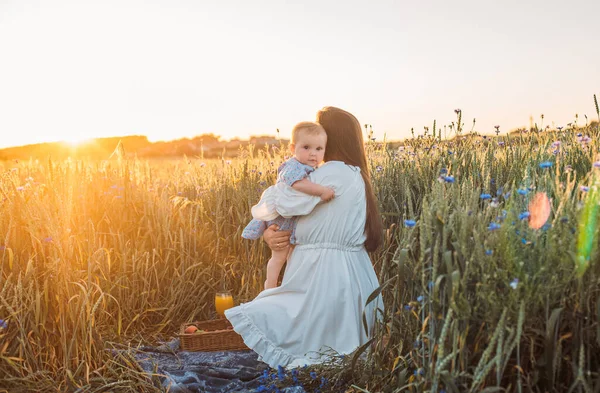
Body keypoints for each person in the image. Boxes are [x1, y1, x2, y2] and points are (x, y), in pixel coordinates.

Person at [225, 106, 384, 369]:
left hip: (321, 273)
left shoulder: (332, 172)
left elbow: (285, 202)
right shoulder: (354, 173)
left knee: (276, 315)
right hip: (345, 271)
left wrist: (268, 215)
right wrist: (271, 233)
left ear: (329, 138)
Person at [241, 121, 336, 289]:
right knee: (279, 256)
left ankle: (286, 286)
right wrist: (321, 191)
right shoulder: (292, 166)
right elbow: (296, 183)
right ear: (293, 149)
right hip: (282, 219)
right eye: (306, 147)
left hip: (293, 219)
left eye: (319, 149)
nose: (313, 154)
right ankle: (269, 285)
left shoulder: (313, 168)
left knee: (292, 256)